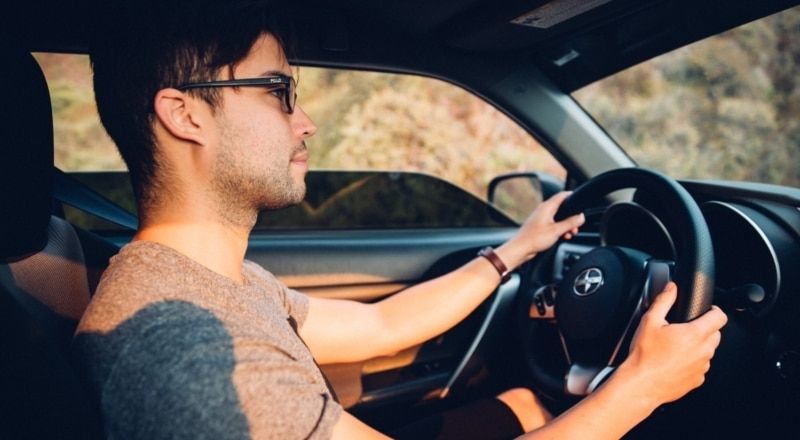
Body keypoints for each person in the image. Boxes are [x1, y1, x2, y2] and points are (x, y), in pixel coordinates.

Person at [74, 1, 728, 439]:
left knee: (530, 404)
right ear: (183, 115)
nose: (306, 122)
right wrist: (645, 384)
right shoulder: (192, 358)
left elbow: (380, 324)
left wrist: (517, 249)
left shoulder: (209, 282)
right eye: (278, 92)